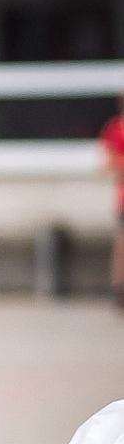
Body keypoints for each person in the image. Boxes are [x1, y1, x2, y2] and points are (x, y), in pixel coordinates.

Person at [101, 97, 124, 308]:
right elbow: (107, 164)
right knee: (121, 244)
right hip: (123, 198)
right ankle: (119, 290)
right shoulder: (114, 129)